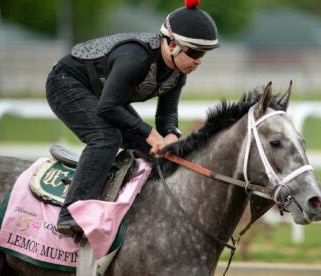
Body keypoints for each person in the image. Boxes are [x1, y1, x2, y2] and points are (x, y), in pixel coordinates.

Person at [45, 0, 219, 236]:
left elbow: (166, 114)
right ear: (171, 44)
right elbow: (107, 108)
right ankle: (71, 213)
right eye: (194, 52)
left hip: (104, 96)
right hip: (66, 83)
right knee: (106, 138)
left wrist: (170, 135)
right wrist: (151, 134)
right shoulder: (135, 58)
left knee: (154, 152)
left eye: (203, 54)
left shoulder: (179, 73)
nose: (198, 60)